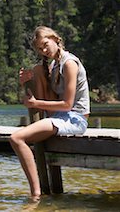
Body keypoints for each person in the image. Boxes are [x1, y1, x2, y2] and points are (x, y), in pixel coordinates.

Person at [9, 25, 90, 200]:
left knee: (16, 138)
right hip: (59, 117)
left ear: (55, 39)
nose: (44, 50)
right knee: (37, 70)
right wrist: (26, 84)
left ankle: (35, 194)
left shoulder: (69, 63)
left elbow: (68, 104)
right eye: (40, 48)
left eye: (46, 44)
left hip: (75, 118)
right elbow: (39, 105)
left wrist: (35, 102)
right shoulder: (50, 67)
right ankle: (39, 191)